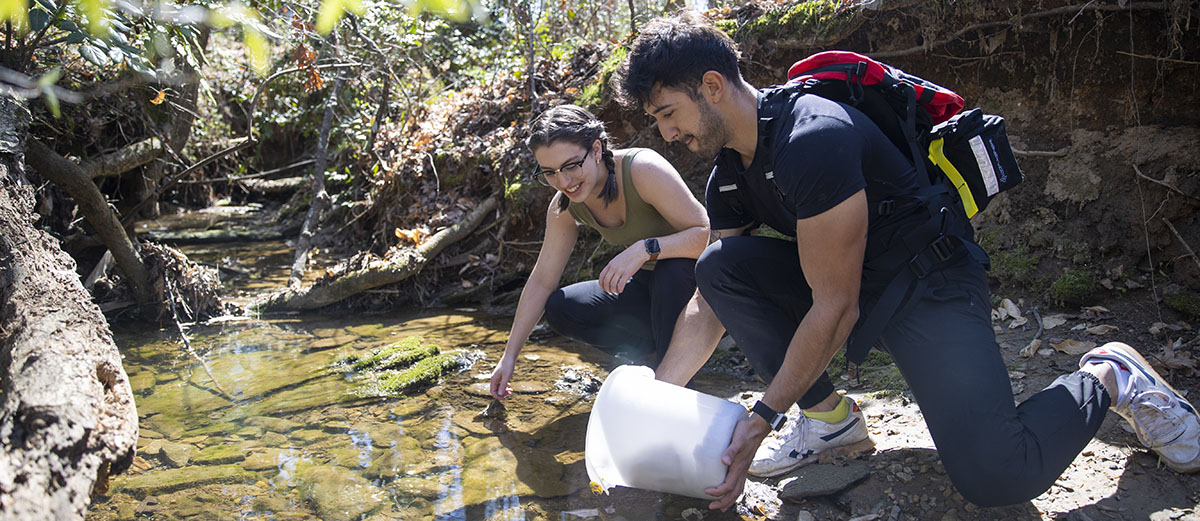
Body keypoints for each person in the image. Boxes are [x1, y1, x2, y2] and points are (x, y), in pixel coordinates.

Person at [613, 12, 1200, 511]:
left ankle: (1109, 375)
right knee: (720, 266)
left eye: (668, 113)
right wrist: (656, 402)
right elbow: (710, 296)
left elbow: (835, 307)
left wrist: (762, 416)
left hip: (929, 282)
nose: (666, 133)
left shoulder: (810, 137)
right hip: (854, 280)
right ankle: (830, 422)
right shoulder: (730, 178)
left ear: (712, 86)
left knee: (998, 475)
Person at [489, 104, 709, 401]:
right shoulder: (564, 206)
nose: (563, 182)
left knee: (671, 271)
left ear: (595, 149)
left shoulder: (643, 169)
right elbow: (542, 280)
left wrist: (644, 250)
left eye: (570, 166)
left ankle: (677, 385)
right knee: (561, 306)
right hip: (647, 290)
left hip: (696, 287)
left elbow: (707, 235)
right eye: (550, 173)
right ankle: (655, 360)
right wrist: (509, 356)